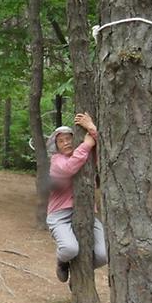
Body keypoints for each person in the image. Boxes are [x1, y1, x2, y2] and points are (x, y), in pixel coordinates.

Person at [46, 112, 108, 283]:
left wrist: (91, 128)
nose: (66, 143)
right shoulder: (56, 161)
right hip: (59, 215)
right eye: (61, 141)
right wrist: (86, 145)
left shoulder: (85, 154)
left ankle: (79, 273)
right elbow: (69, 168)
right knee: (69, 249)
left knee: (103, 255)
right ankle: (62, 263)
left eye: (69, 138)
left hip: (87, 212)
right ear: (56, 146)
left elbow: (103, 146)